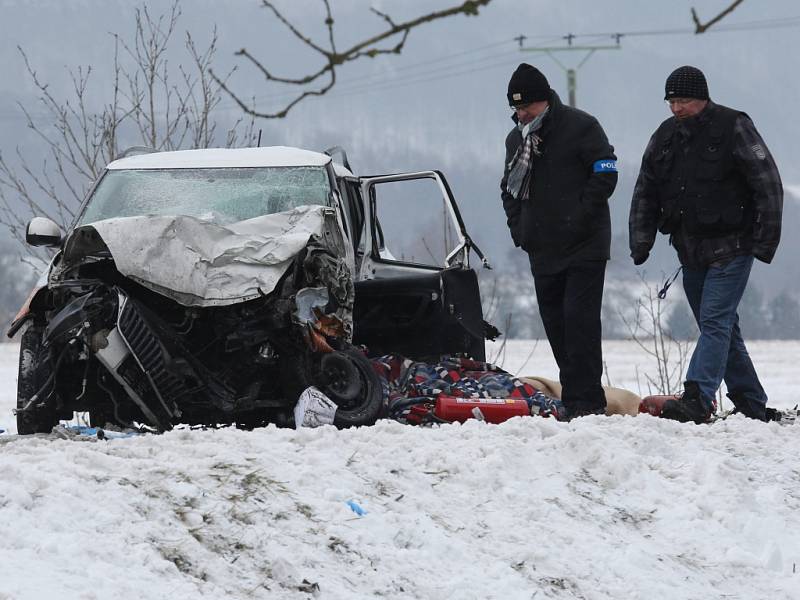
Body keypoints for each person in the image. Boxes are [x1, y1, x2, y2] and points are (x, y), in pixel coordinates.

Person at [629, 65, 783, 423]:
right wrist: (641, 239)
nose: (676, 108)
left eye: (683, 100)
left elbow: (768, 182)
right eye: (671, 101)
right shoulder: (665, 136)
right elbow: (645, 189)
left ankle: (697, 398)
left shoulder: (734, 126)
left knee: (715, 321)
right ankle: (750, 403)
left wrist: (765, 241)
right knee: (720, 326)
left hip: (733, 247)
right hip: (690, 249)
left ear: (703, 98)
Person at [500, 63, 618, 418]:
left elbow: (606, 172)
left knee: (579, 322)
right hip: (542, 248)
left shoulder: (582, 126)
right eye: (517, 109)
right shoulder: (516, 140)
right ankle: (573, 397)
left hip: (585, 246)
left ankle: (587, 401)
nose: (522, 115)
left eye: (527, 108)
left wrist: (580, 217)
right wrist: (520, 230)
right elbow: (508, 189)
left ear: (545, 101)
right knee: (556, 325)